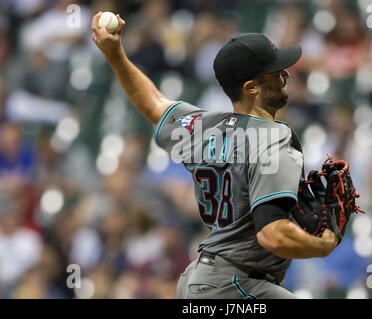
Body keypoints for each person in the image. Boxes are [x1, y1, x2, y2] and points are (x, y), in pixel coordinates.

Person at [91, 11, 339, 299]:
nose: (285, 75)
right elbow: (272, 235)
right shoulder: (273, 138)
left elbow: (154, 104)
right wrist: (322, 245)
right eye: (276, 71)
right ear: (251, 87)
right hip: (233, 285)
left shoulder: (201, 126)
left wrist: (115, 54)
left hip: (204, 281)